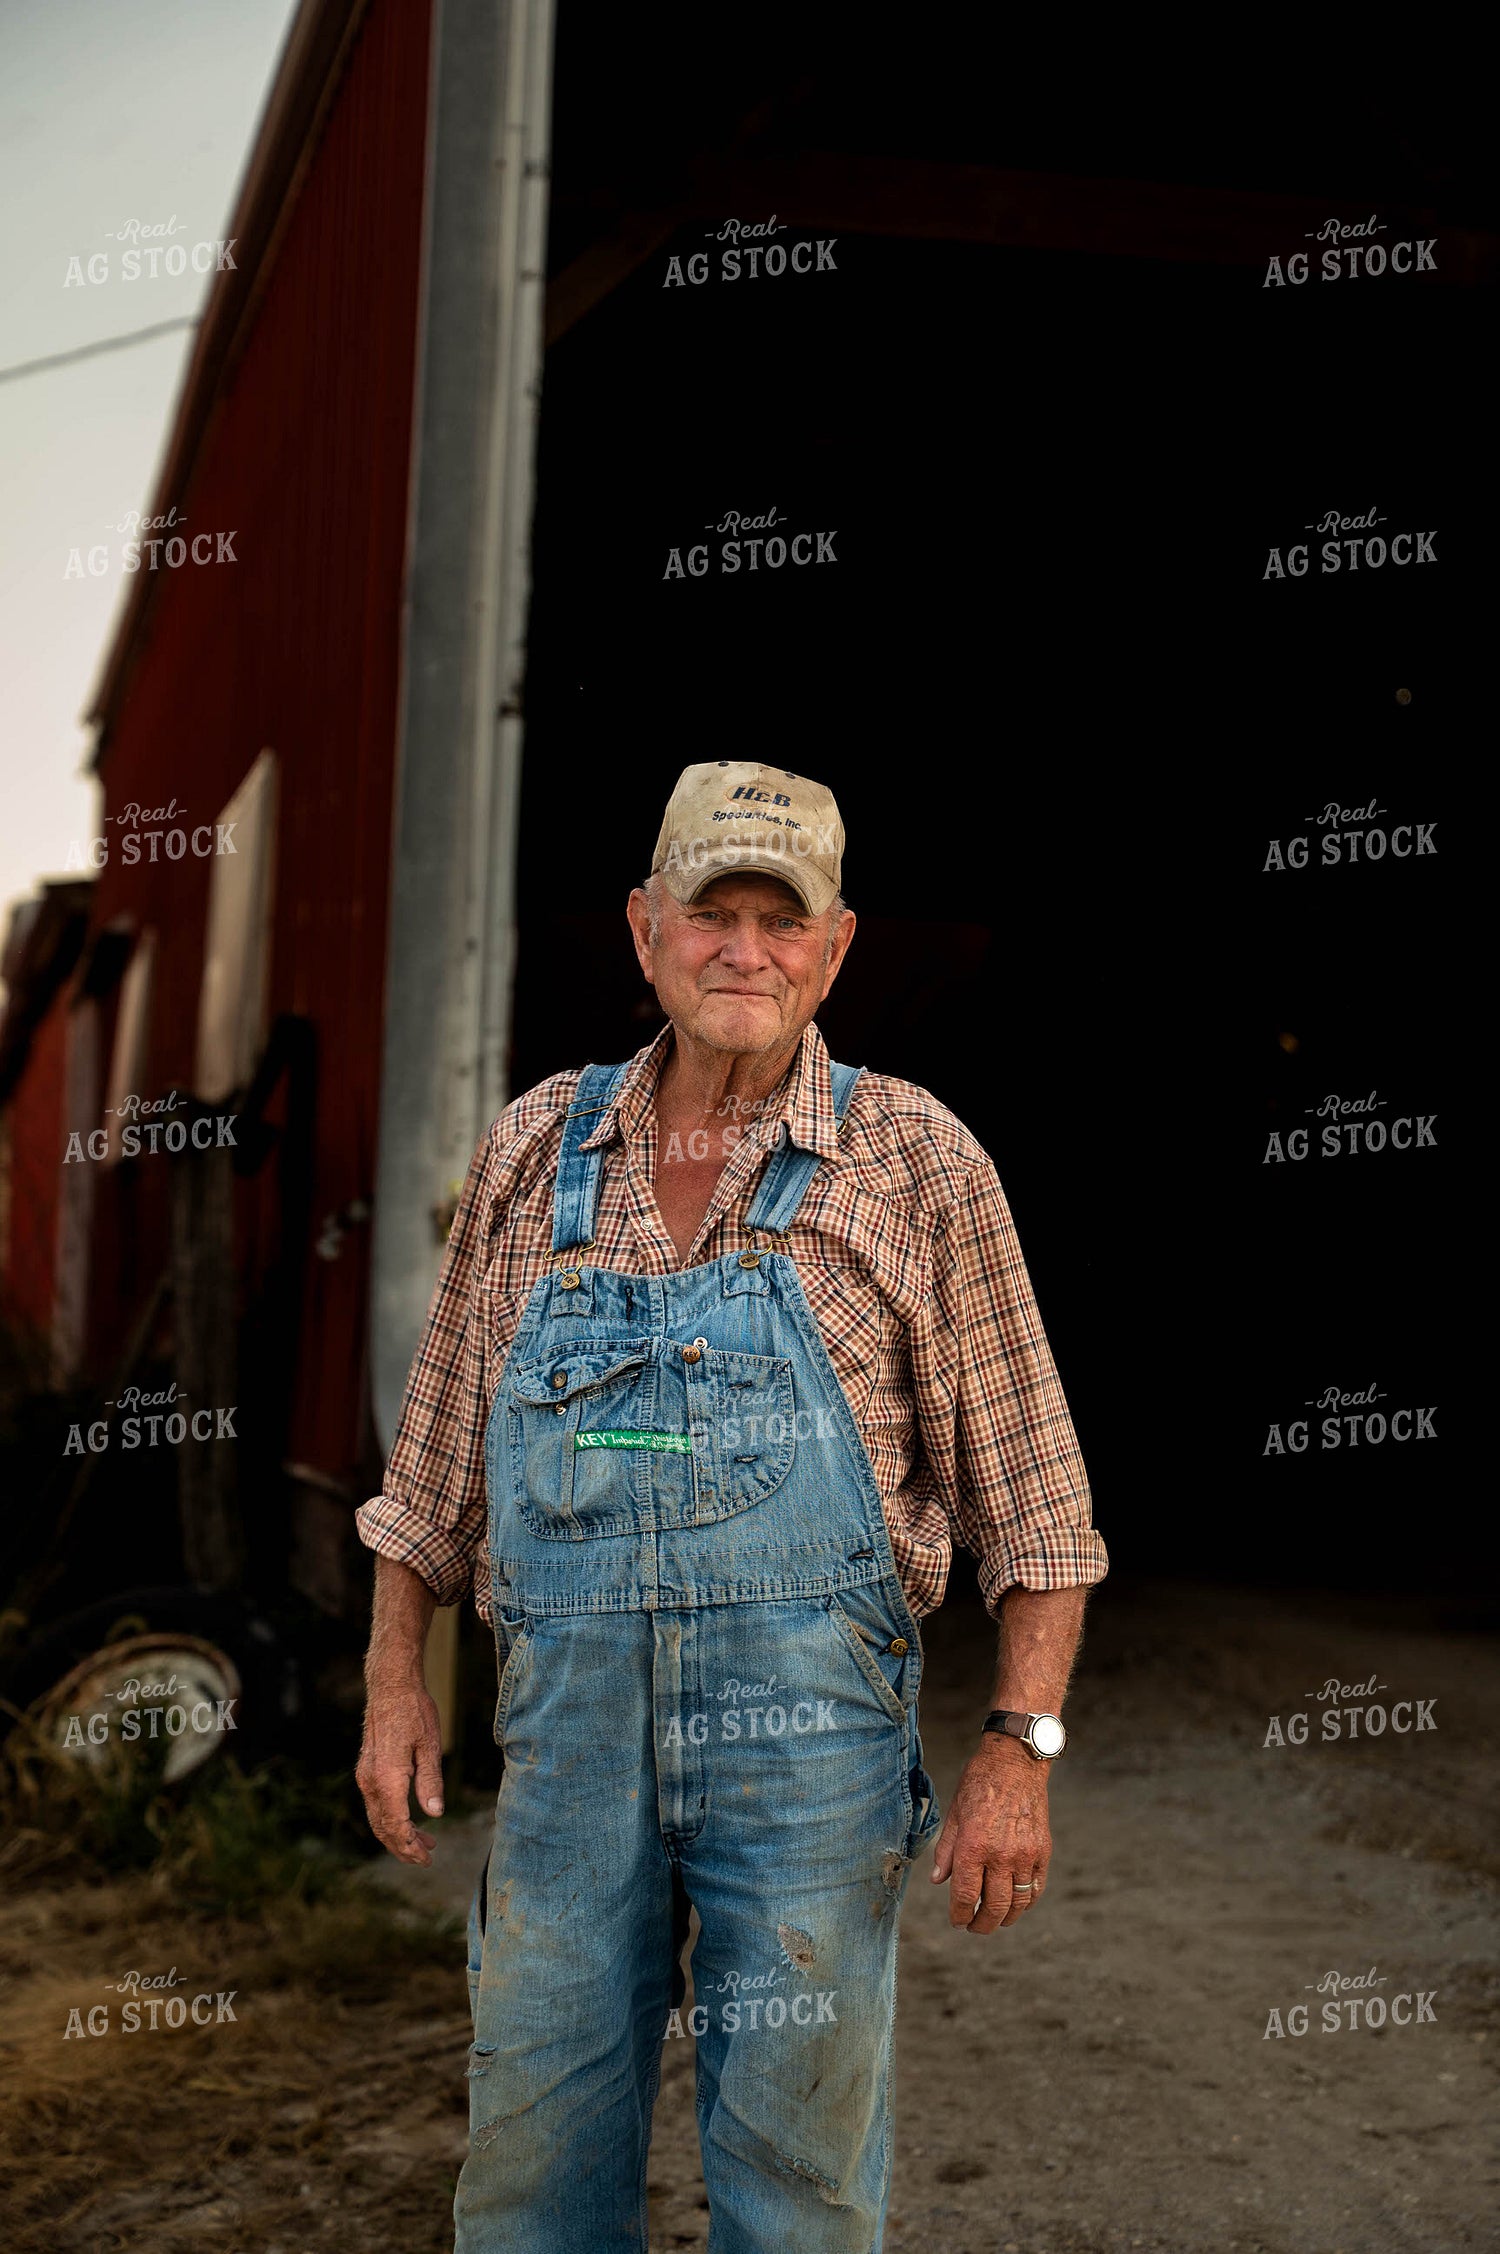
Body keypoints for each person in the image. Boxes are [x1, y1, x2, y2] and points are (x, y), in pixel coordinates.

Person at [355, 760, 1107, 2252]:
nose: (744, 949)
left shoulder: (918, 1161)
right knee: (529, 2165)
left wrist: (1019, 1748)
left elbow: (1040, 1508)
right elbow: (430, 1468)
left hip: (808, 1767)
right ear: (648, 931)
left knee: (796, 2182)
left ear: (834, 950)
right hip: (570, 1761)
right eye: (714, 912)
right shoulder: (532, 1153)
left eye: (783, 919)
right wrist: (391, 1678)